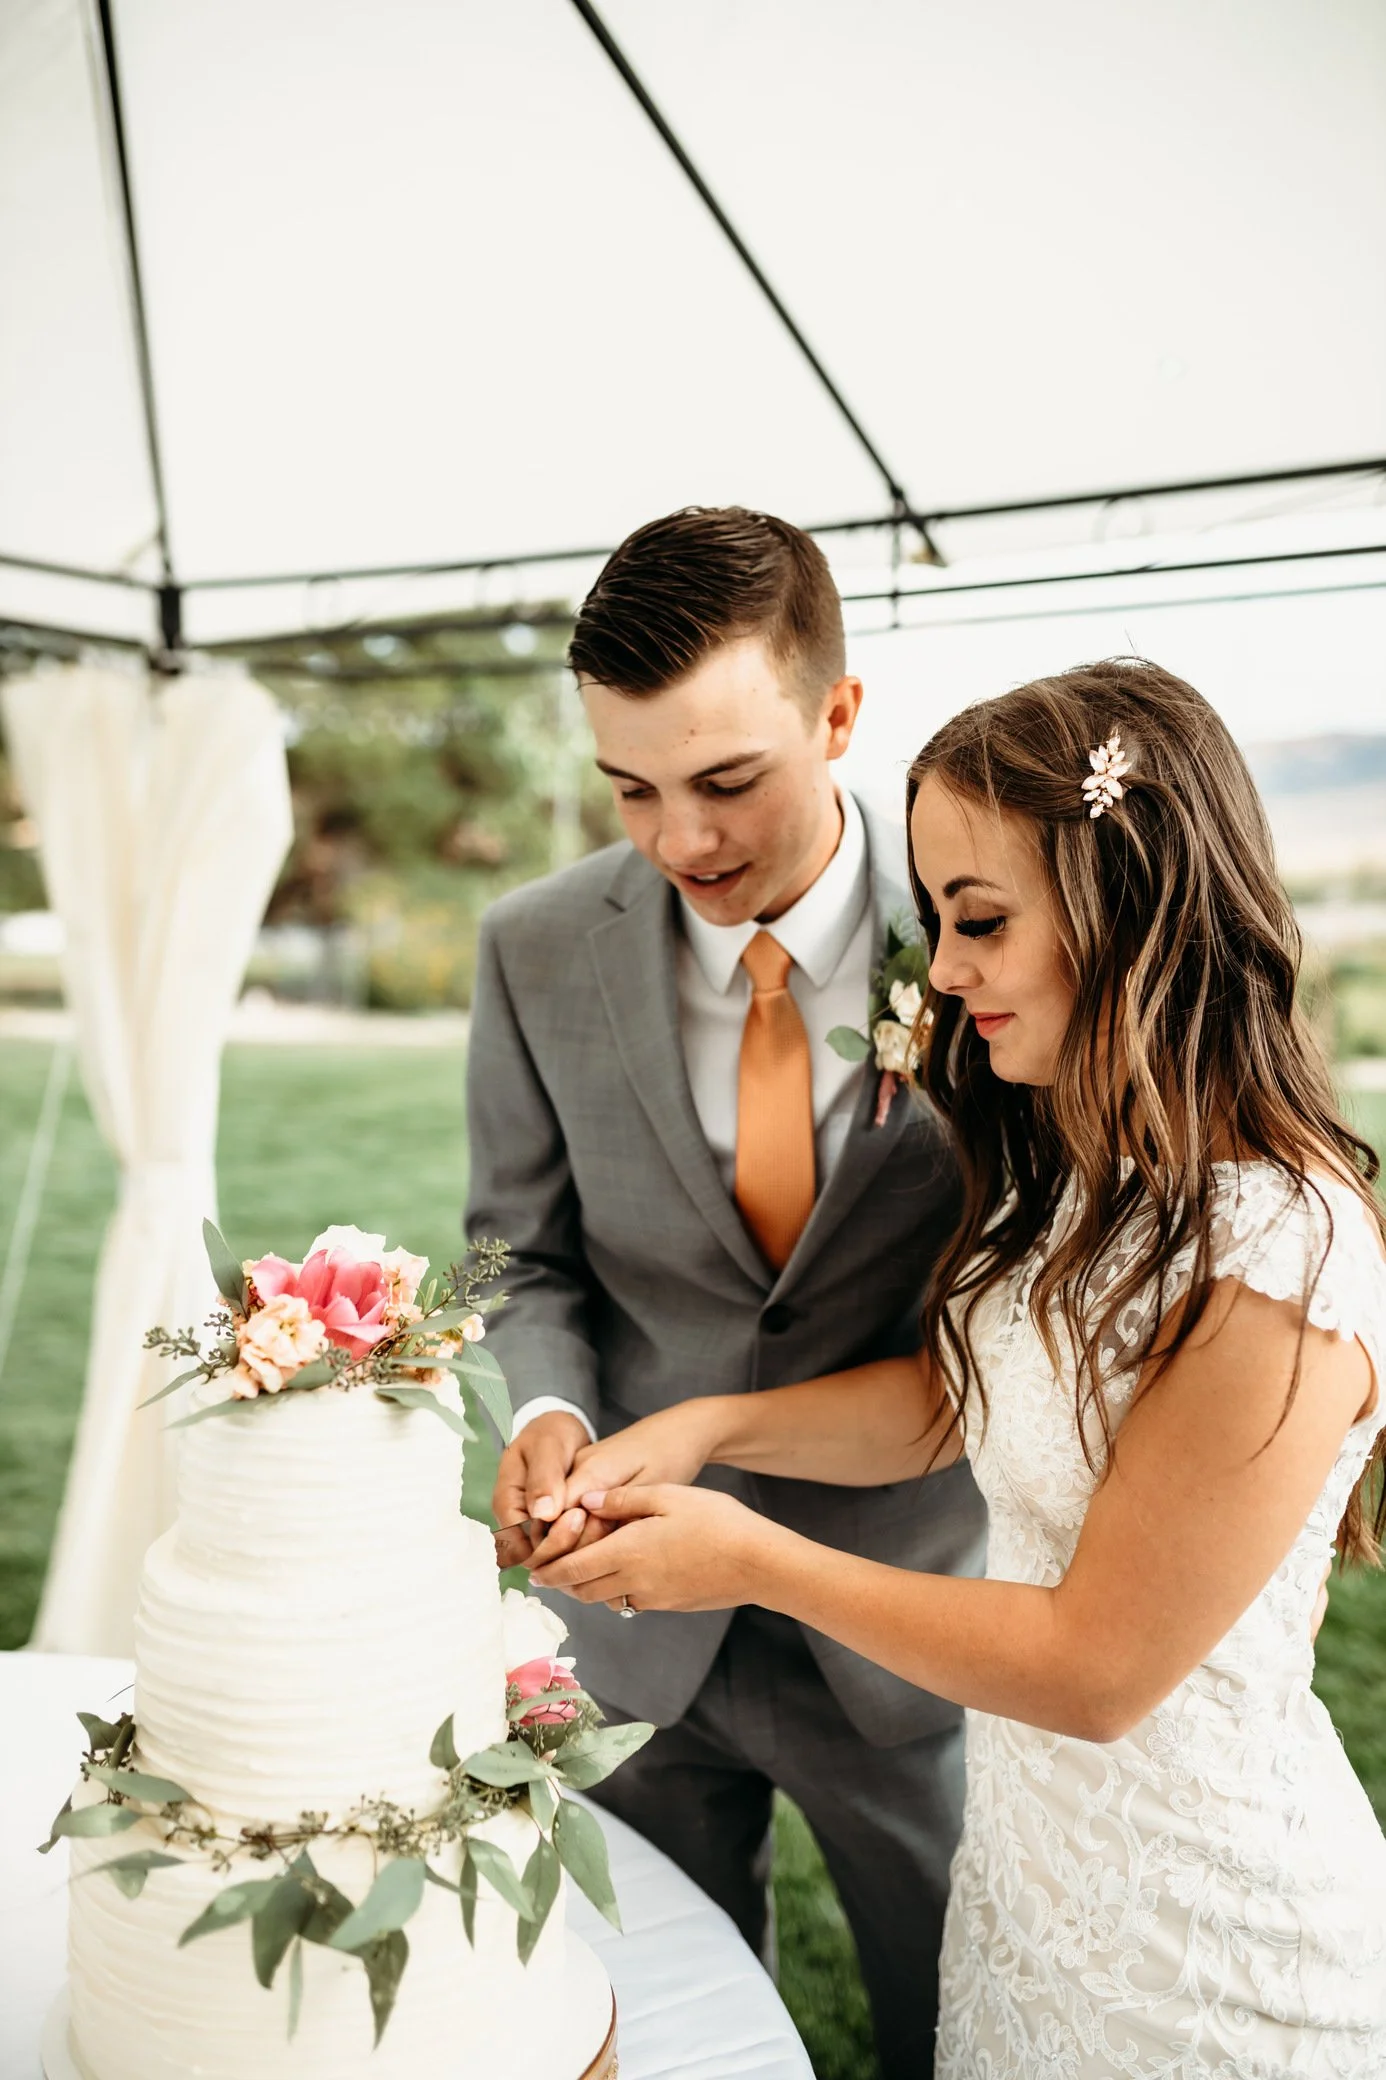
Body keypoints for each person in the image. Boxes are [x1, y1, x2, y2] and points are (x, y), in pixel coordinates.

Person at [529, 657, 1386, 2077]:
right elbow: (957, 1396)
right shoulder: (1089, 1172)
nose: (942, 971)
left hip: (1205, 1945)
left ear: (1130, 906)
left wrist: (750, 1555)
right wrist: (702, 1428)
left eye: (978, 920)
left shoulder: (1285, 1248)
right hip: (1035, 1881)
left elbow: (1099, 1666)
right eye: (933, 921)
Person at [468, 506, 986, 2076]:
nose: (679, 839)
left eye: (726, 781)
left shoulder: (978, 928)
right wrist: (549, 1402)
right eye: (630, 788)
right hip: (633, 1623)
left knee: (954, 2012)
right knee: (667, 2013)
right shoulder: (533, 946)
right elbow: (518, 1247)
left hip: (903, 1609)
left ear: (837, 715)